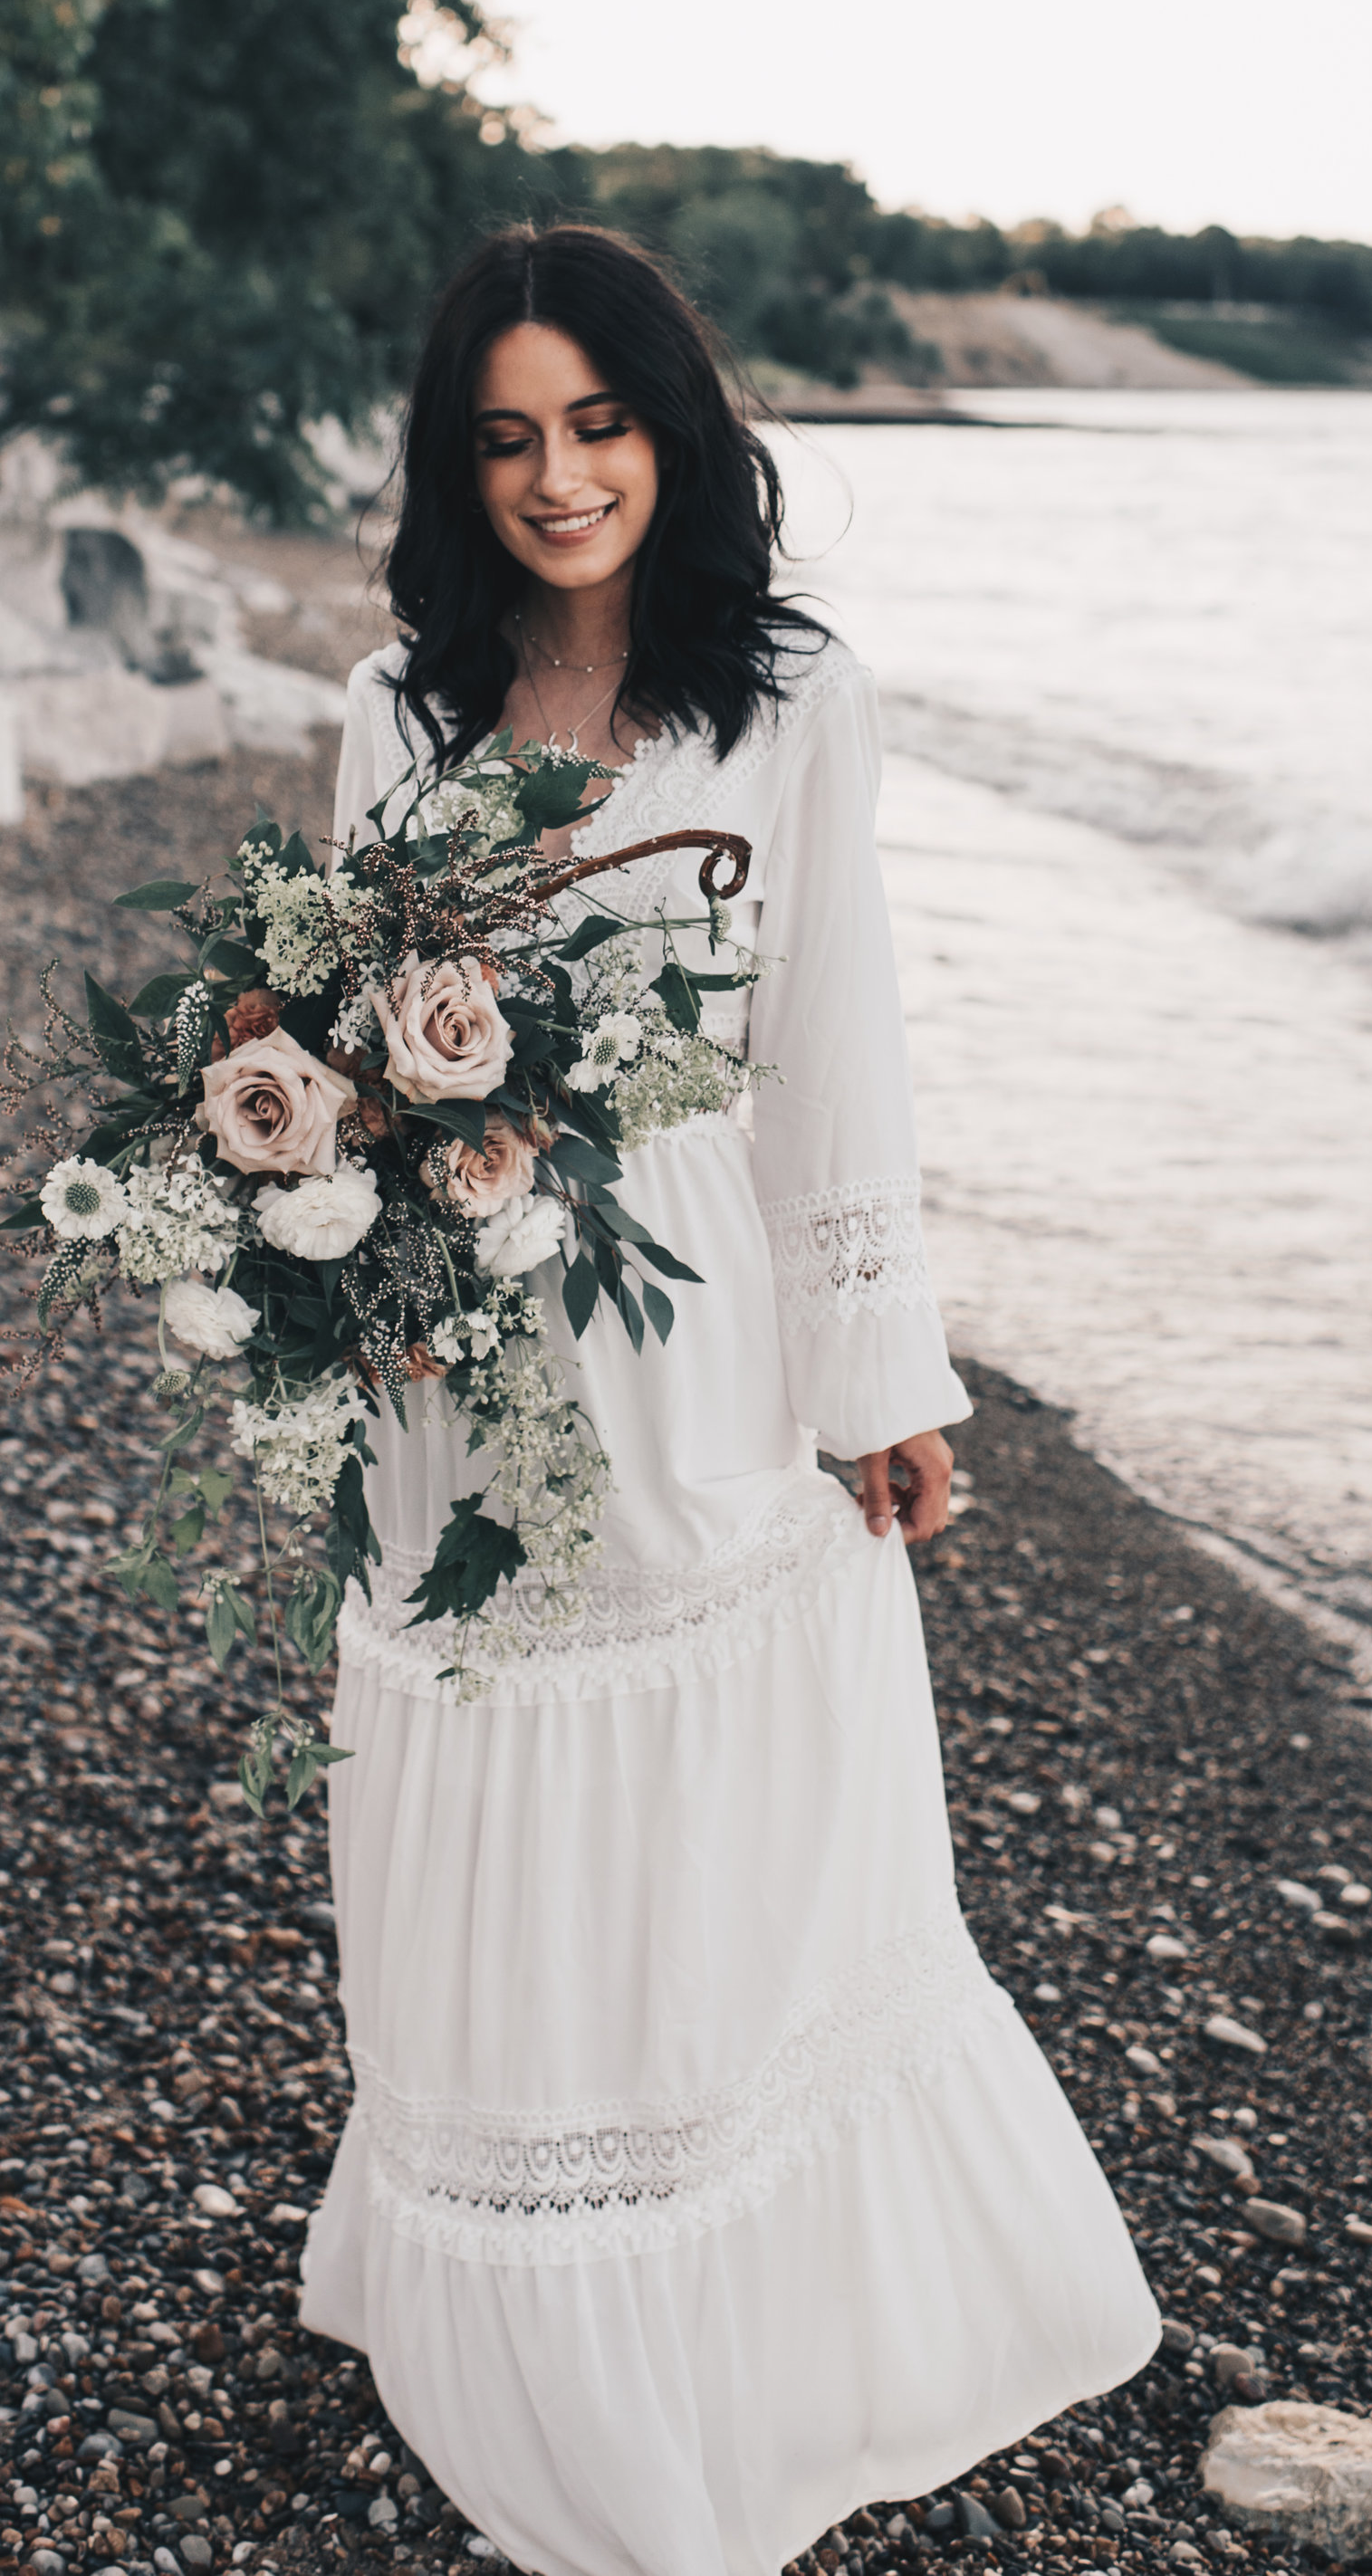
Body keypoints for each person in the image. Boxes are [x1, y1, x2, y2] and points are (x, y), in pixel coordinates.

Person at [298, 226, 1158, 2576]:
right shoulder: (400, 707)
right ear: (451, 467)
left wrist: (879, 1359)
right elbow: (359, 1014)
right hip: (454, 1324)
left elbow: (833, 1047)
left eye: (597, 422)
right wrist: (338, 1234)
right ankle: (504, 2268)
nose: (558, 476)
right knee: (482, 1740)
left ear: (672, 427)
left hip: (692, 1323)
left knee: (707, 1796)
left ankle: (719, 2293)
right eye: (505, 437)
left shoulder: (786, 699)